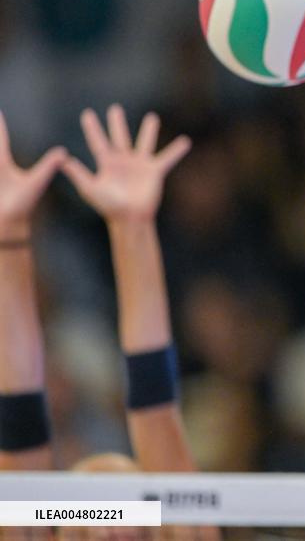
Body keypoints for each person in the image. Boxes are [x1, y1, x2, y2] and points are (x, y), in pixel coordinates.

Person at [0, 106, 218, 540]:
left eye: (120, 507)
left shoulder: (179, 523)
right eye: (87, 518)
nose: (107, 521)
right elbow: (21, 434)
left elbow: (156, 416)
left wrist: (131, 227)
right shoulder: (32, 522)